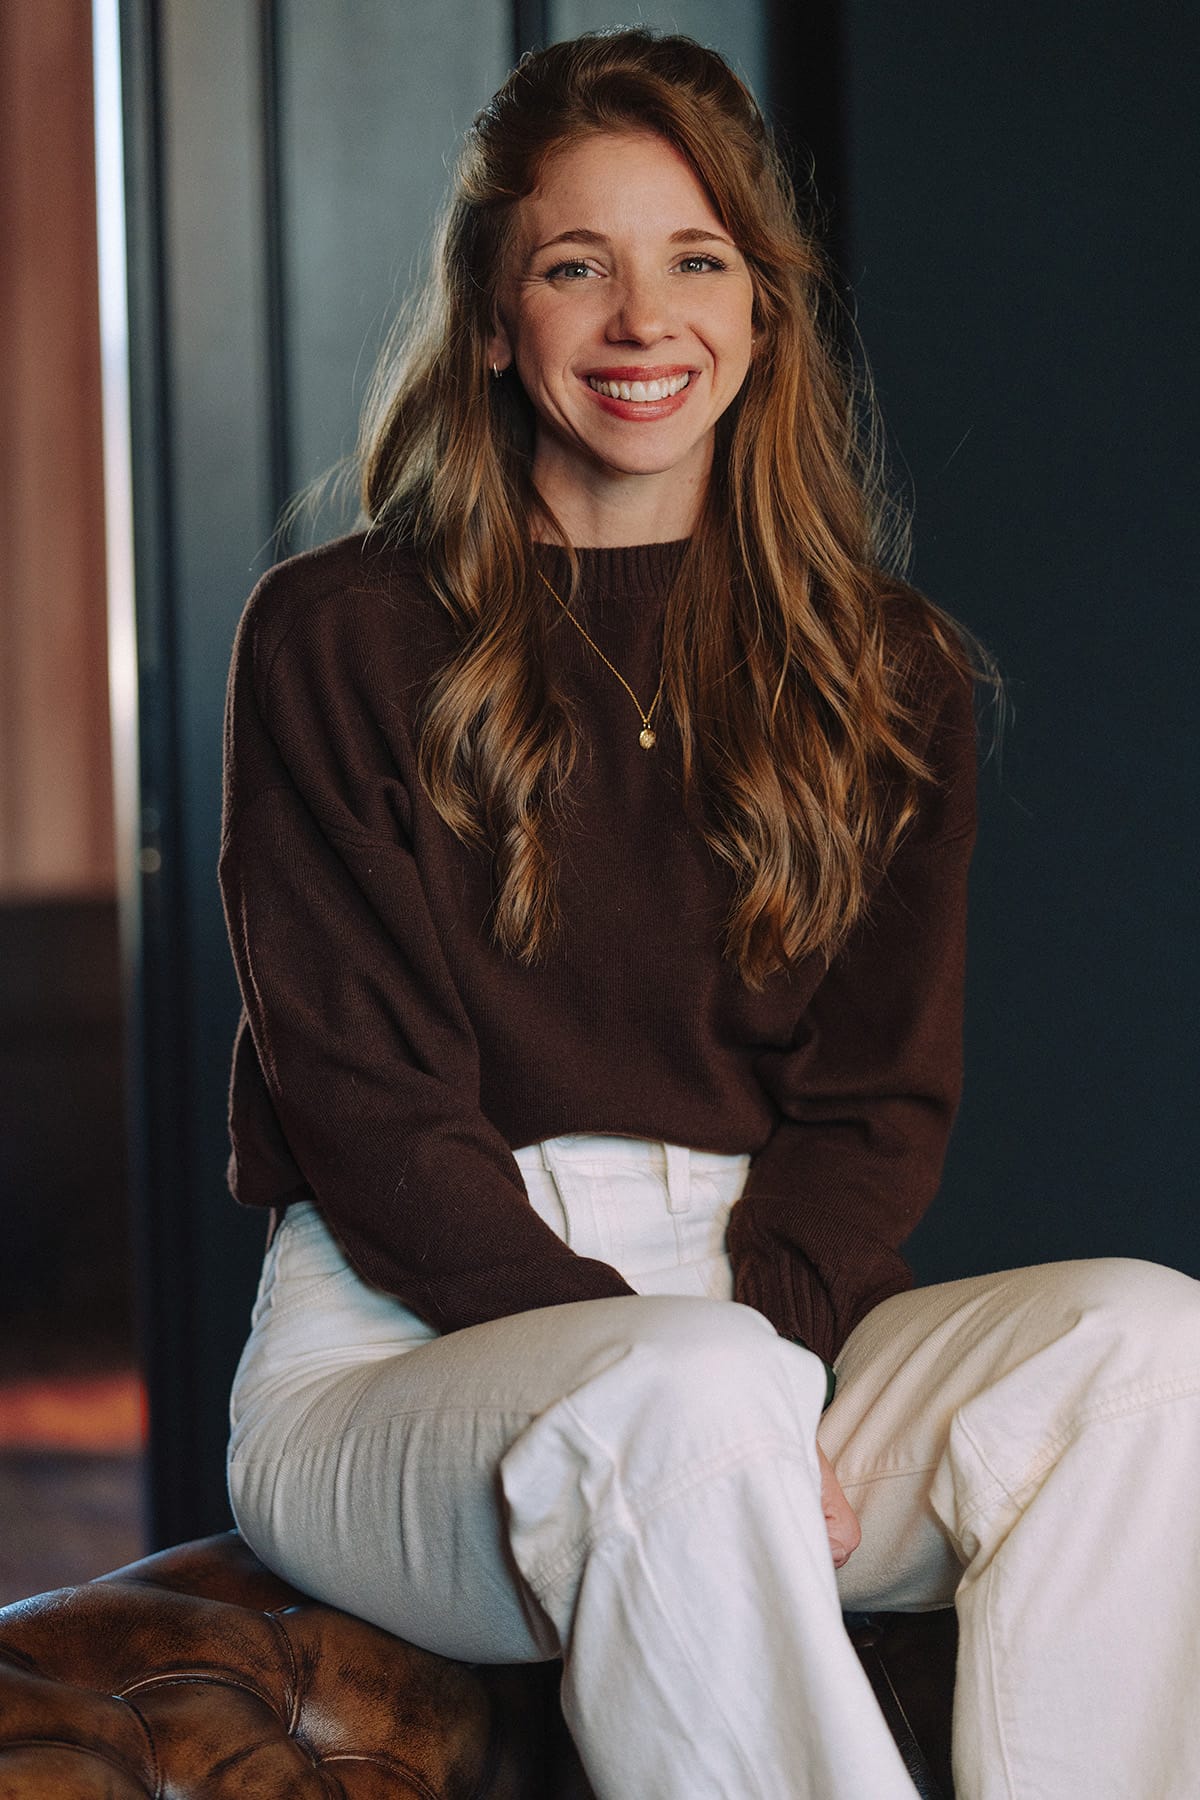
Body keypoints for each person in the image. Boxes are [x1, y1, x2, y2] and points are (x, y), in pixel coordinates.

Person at [219, 29, 1200, 1800]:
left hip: (774, 1329)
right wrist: (720, 1399)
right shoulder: (337, 635)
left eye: (697, 260)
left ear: (764, 308)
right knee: (676, 1394)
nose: (640, 319)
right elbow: (367, 1117)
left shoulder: (889, 669)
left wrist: (775, 1384)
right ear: (497, 320)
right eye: (574, 265)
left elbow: (872, 1111)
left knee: (1148, 1348)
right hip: (402, 1360)